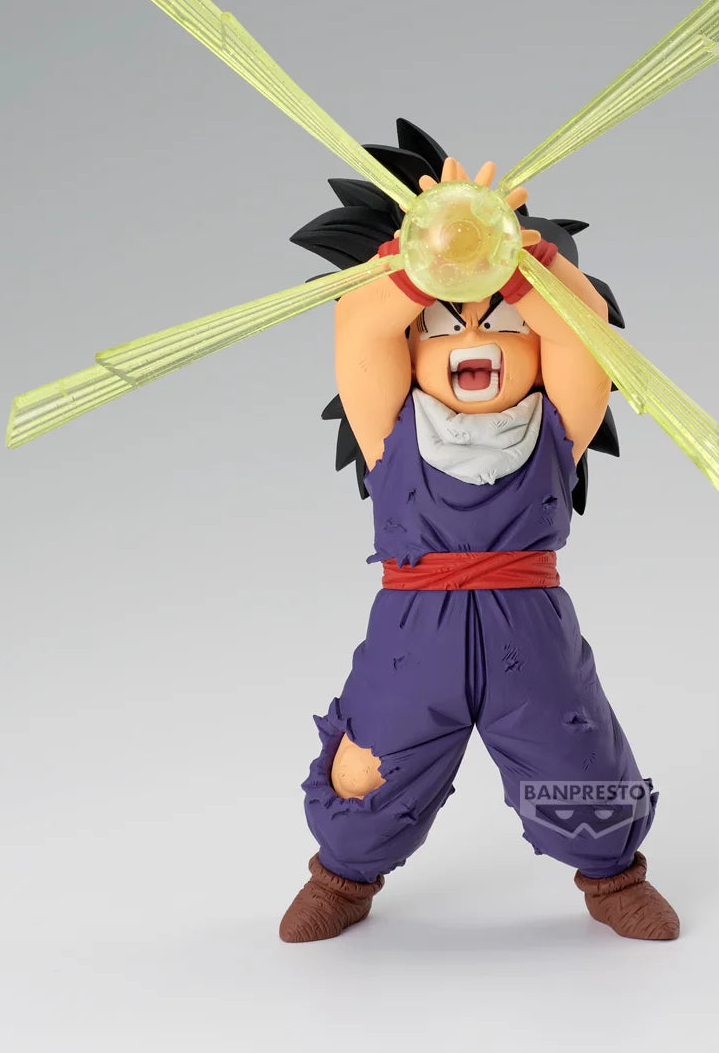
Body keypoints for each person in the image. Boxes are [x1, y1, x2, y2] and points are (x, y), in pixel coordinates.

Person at [279, 121, 679, 942]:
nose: (471, 339)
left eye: (502, 322)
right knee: (366, 769)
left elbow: (585, 328)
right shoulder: (390, 429)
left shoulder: (555, 429)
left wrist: (519, 258)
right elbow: (360, 326)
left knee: (579, 758)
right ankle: (342, 877)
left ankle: (613, 876)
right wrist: (429, 252)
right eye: (443, 324)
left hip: (528, 629)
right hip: (411, 629)